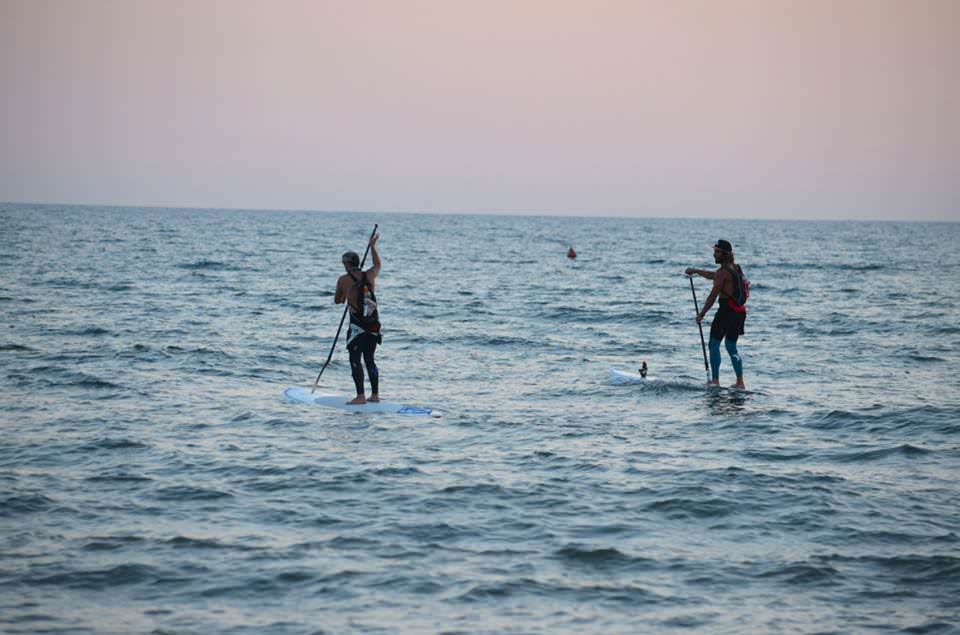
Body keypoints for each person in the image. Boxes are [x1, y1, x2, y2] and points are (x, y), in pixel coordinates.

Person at [685, 239, 747, 388]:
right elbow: (715, 275)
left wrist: (702, 314)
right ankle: (740, 382)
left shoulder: (723, 272)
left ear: (725, 254)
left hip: (726, 312)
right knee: (731, 347)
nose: (714, 254)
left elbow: (713, 295)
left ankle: (715, 381)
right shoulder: (736, 268)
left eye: (717, 252)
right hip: (739, 313)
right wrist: (696, 271)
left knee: (714, 344)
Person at [335, 233, 381, 404]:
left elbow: (338, 301)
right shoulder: (370, 275)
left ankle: (360, 396)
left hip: (357, 326)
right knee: (369, 358)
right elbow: (377, 264)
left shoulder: (343, 280)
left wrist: (347, 293)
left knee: (355, 359)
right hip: (374, 324)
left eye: (343, 264)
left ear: (347, 264)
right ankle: (375, 395)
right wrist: (373, 246)